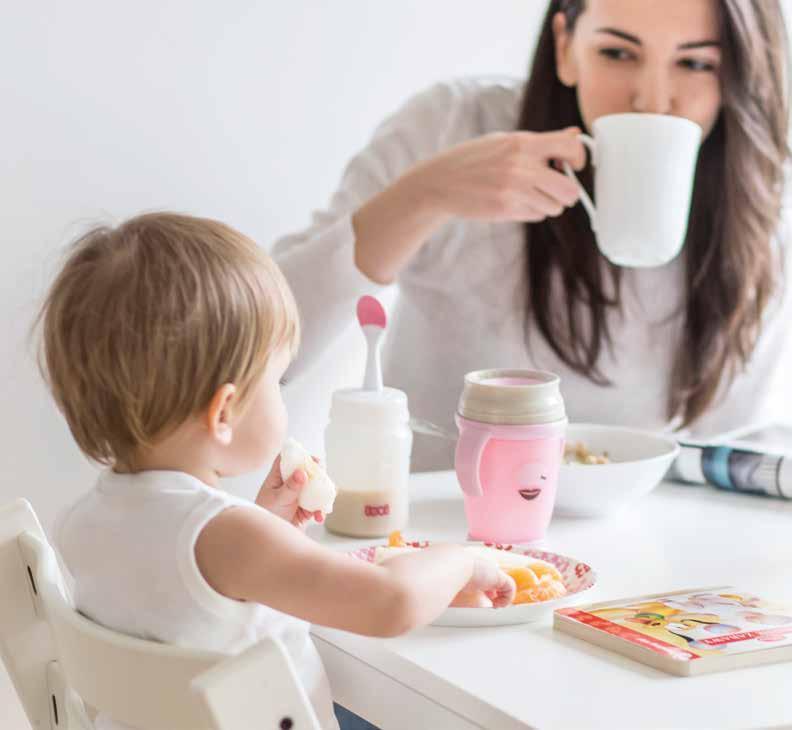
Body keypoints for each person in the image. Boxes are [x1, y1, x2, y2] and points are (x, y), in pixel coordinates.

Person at [37, 212, 515, 730]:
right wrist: (461, 560)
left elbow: (183, 598)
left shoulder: (85, 520)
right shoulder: (230, 539)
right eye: (277, 380)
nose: (282, 393)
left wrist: (267, 523)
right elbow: (390, 603)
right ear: (223, 413)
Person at [273, 0, 791, 472]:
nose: (651, 100)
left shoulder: (761, 208)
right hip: (437, 537)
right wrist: (421, 198)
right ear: (565, 47)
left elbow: (724, 452)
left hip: (637, 540)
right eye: (617, 52)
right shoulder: (453, 125)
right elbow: (261, 352)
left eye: (697, 63)